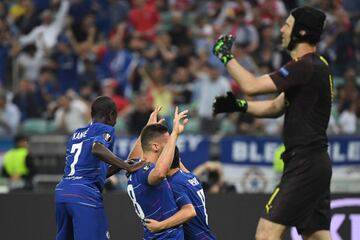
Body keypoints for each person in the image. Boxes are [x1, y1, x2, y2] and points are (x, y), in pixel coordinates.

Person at [212, 6, 332, 240]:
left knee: (266, 234)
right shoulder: (317, 65)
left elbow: (252, 86)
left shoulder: (304, 66)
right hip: (315, 163)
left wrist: (226, 57)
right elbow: (275, 107)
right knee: (316, 235)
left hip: (304, 164)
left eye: (287, 24)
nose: (282, 29)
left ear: (302, 32)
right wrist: (239, 106)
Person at [54, 96, 145, 240]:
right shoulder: (105, 128)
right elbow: (97, 149)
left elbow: (90, 171)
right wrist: (128, 167)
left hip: (62, 192)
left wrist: (121, 165)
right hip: (84, 194)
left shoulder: (77, 134)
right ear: (111, 115)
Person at [126, 106, 190, 240]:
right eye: (168, 144)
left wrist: (148, 126)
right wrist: (174, 135)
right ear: (155, 147)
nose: (172, 146)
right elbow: (160, 173)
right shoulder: (147, 171)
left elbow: (133, 156)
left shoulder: (133, 166)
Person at [144, 146, 217, 240]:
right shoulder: (189, 176)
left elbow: (189, 212)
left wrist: (160, 226)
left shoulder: (174, 184)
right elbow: (176, 161)